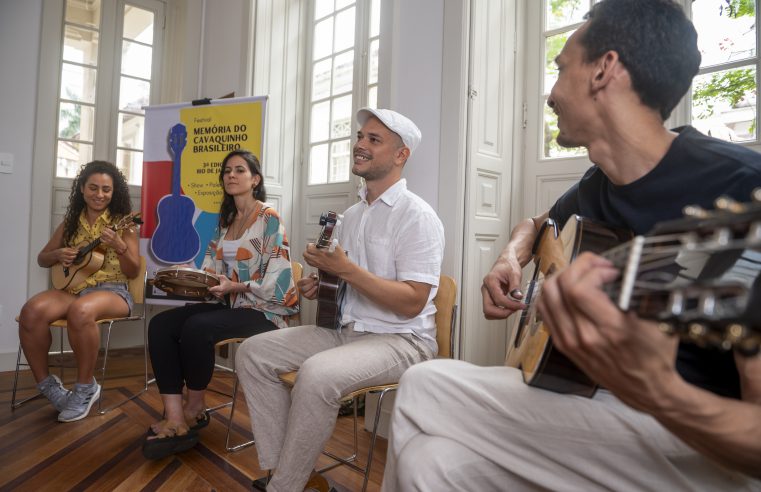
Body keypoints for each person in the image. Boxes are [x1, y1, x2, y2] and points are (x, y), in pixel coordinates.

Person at [382, 0, 761, 490]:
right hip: (591, 400)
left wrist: (658, 388)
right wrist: (511, 255)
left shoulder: (739, 188)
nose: (551, 95)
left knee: (423, 384)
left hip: (693, 439)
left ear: (604, 70)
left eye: (560, 69)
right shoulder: (595, 185)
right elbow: (537, 223)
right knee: (430, 463)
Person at [235, 108, 445, 491]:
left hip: (403, 341)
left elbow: (413, 302)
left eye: (374, 140)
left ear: (401, 155)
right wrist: (324, 282)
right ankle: (293, 474)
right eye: (361, 137)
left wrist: (345, 270)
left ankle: (285, 484)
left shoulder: (418, 217)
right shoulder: (351, 215)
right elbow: (350, 277)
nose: (360, 145)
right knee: (253, 353)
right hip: (347, 332)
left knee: (316, 374)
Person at [142, 149, 299, 460]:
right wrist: (192, 277)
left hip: (264, 310)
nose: (231, 175)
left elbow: (279, 281)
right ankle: (174, 416)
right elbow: (213, 269)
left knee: (198, 327)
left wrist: (237, 285)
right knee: (161, 324)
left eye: (240, 170)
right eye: (227, 170)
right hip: (230, 304)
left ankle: (196, 405)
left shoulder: (269, 218)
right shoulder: (225, 220)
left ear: (255, 180)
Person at [18, 160, 140, 423]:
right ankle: (49, 387)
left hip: (114, 292)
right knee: (31, 312)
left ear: (114, 192)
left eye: (106, 189)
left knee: (80, 310)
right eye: (93, 188)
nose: (99, 194)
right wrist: (57, 254)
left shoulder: (124, 224)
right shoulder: (71, 222)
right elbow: (42, 259)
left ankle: (85, 388)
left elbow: (132, 270)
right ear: (82, 189)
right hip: (74, 289)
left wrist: (120, 246)